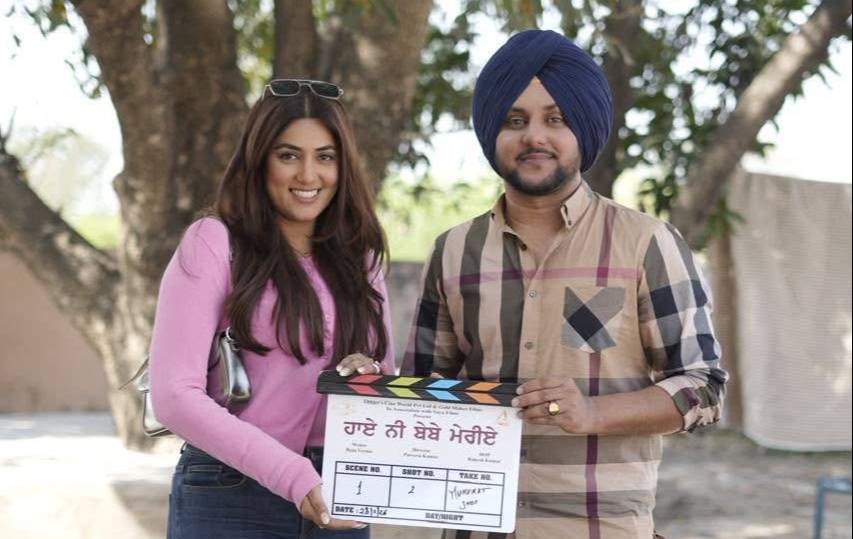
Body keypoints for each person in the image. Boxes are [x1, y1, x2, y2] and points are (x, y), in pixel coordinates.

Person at [400, 30, 728, 539]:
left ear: (582, 128)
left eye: (555, 119)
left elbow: (703, 389)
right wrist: (367, 384)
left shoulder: (646, 243)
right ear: (491, 131)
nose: (534, 137)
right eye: (515, 120)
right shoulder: (454, 252)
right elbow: (421, 397)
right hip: (476, 527)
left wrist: (591, 411)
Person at [149, 79, 394, 538]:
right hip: (230, 493)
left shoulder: (361, 258)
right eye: (288, 155)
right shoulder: (213, 242)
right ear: (259, 159)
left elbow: (388, 386)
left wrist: (368, 376)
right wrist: (293, 476)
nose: (308, 175)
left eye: (325, 157)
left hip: (339, 493)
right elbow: (173, 396)